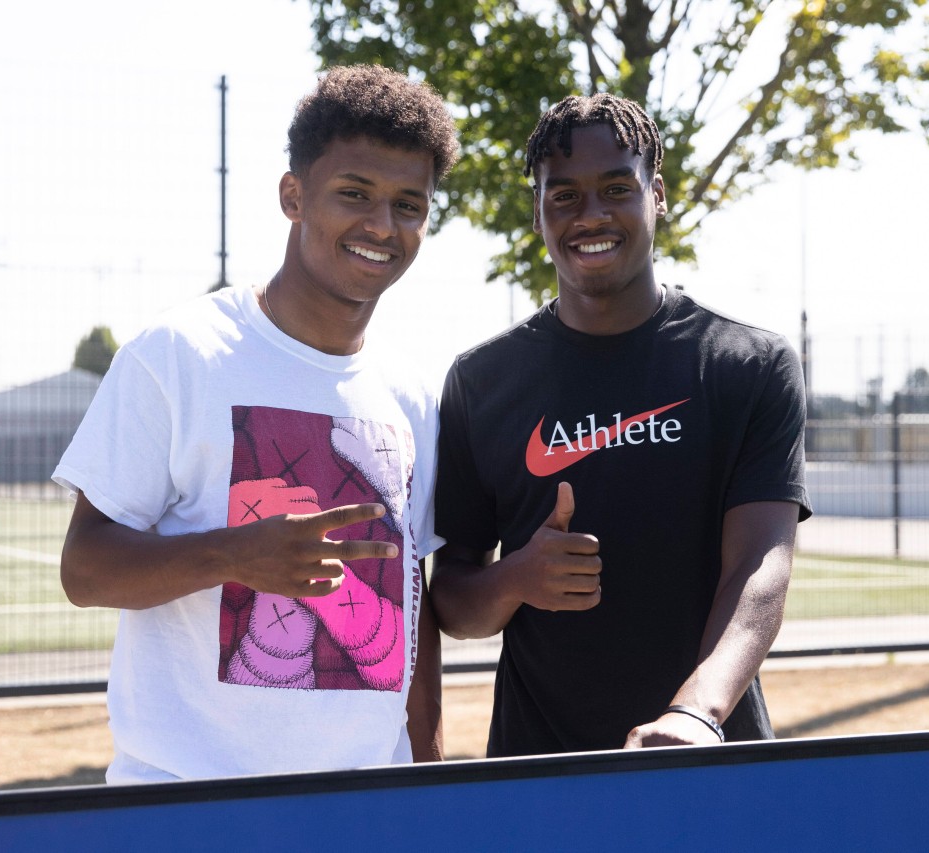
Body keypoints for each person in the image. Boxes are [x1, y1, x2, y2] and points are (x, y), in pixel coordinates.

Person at [53, 64, 459, 783]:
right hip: (185, 805)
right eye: (354, 194)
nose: (381, 226)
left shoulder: (414, 393)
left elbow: (411, 604)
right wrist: (233, 556)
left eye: (409, 205)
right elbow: (84, 569)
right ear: (292, 195)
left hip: (367, 806)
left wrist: (424, 775)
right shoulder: (179, 354)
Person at [431, 93, 811, 757]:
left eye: (616, 189)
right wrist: (515, 578)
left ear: (655, 194)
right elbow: (453, 599)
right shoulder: (481, 380)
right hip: (540, 773)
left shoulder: (747, 364)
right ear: (539, 209)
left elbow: (759, 564)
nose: (592, 215)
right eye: (565, 196)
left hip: (705, 753)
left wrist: (697, 710)